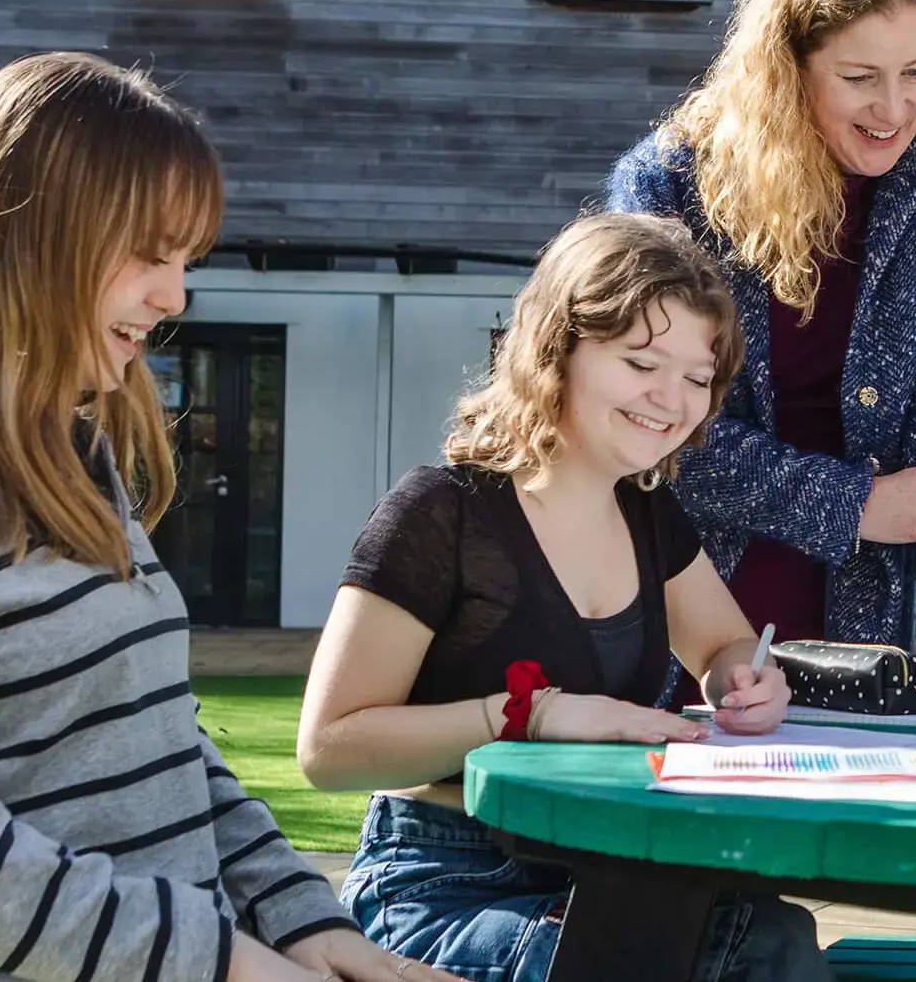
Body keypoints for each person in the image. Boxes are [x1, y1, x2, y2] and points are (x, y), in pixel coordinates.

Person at [0, 53, 449, 982]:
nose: (174, 297)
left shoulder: (68, 460)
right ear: (16, 228)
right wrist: (231, 964)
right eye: (148, 252)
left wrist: (310, 927)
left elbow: (161, 748)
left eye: (186, 260)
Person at [296, 213, 826, 982]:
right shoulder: (440, 511)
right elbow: (327, 748)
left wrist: (746, 679)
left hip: (607, 865)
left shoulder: (651, 515)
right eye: (642, 361)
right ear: (558, 348)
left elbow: (722, 646)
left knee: (774, 937)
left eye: (697, 376)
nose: (672, 399)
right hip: (441, 879)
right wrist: (530, 715)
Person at [605, 0, 916, 698]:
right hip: (677, 589)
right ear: (790, 70)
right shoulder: (671, 183)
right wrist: (857, 502)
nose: (894, 110)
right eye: (859, 78)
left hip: (856, 609)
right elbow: (648, 424)